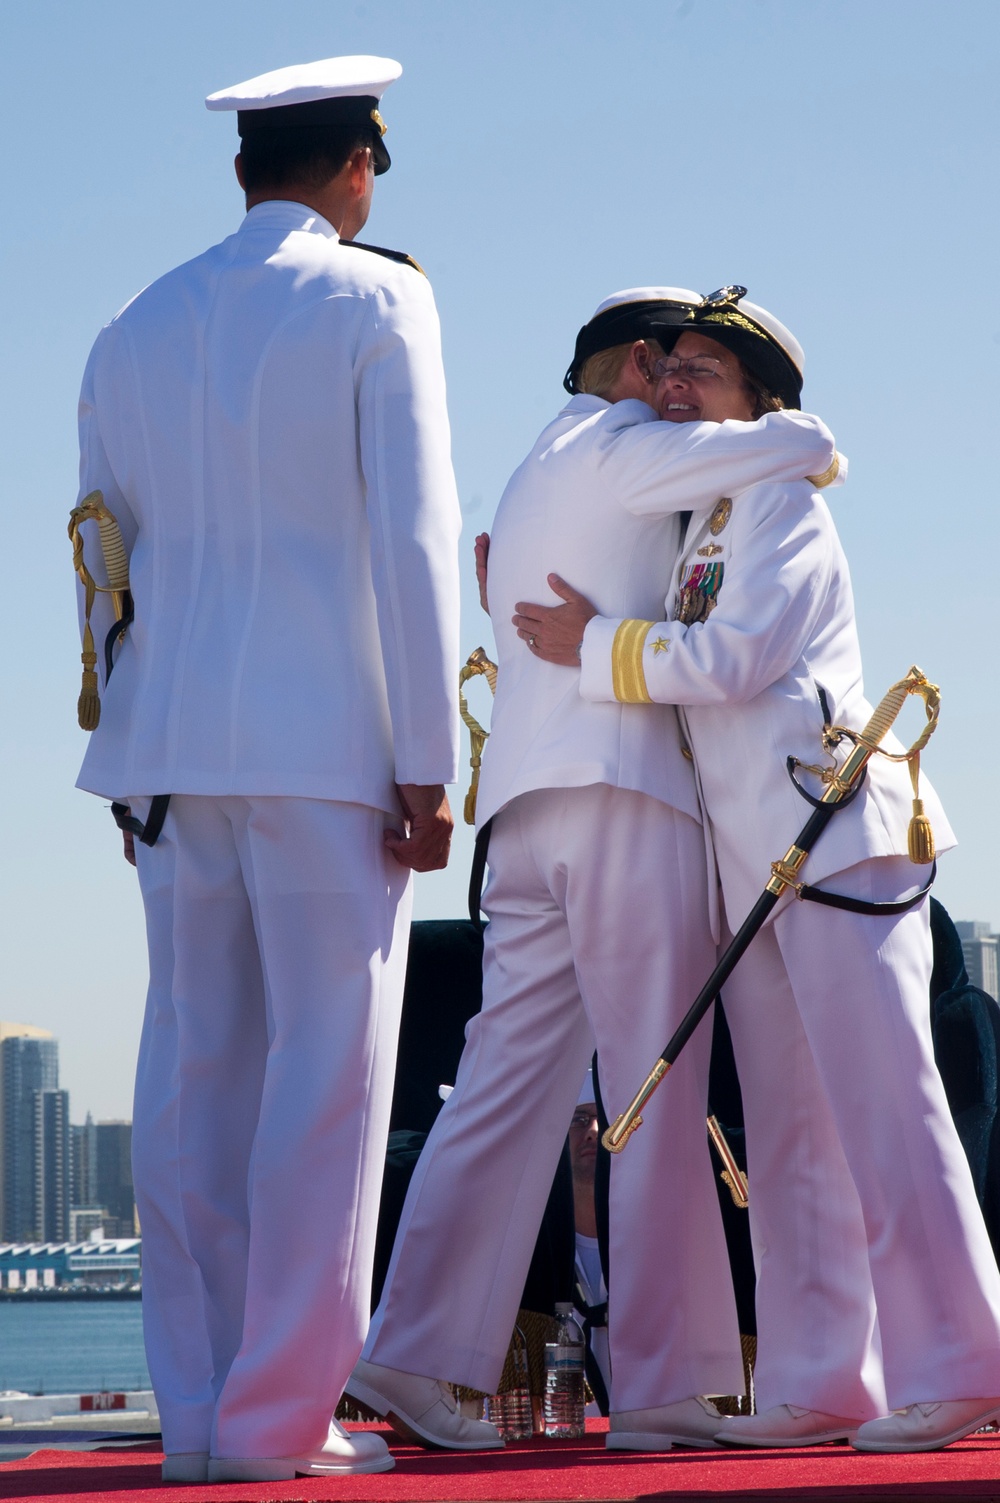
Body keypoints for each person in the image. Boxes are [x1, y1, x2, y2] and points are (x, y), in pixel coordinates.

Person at [346, 287, 845, 1453]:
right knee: (653, 1087)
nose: (680, 390)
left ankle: (413, 1354)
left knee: (504, 1085)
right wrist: (777, 429)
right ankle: (666, 1382)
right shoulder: (626, 446)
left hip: (522, 813)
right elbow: (805, 443)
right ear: (632, 366)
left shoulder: (539, 463)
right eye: (670, 365)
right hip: (624, 796)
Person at [515, 287, 1000, 1452]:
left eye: (707, 374)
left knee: (889, 1107)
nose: (676, 384)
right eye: (669, 365)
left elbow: (733, 660)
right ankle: (822, 1378)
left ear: (762, 403)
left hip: (827, 831)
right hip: (750, 858)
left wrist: (590, 645)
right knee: (791, 1129)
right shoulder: (700, 514)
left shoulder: (777, 497)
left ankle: (964, 1361)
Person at [72, 55, 461, 1484]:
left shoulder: (132, 321)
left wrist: (118, 740)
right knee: (328, 1081)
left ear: (246, 169)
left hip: (169, 747)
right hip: (324, 748)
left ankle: (196, 1414)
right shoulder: (380, 296)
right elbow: (415, 539)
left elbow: (100, 553)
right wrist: (427, 755)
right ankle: (280, 1417)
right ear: (356, 166)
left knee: (191, 1075)